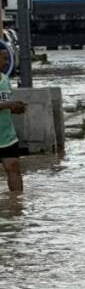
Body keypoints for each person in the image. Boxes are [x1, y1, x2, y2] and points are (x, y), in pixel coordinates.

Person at [0, 50, 25, 192]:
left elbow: (6, 103)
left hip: (7, 136)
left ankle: (17, 205)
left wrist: (15, 108)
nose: (6, 62)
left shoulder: (5, 79)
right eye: (3, 58)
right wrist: (8, 105)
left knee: (13, 168)